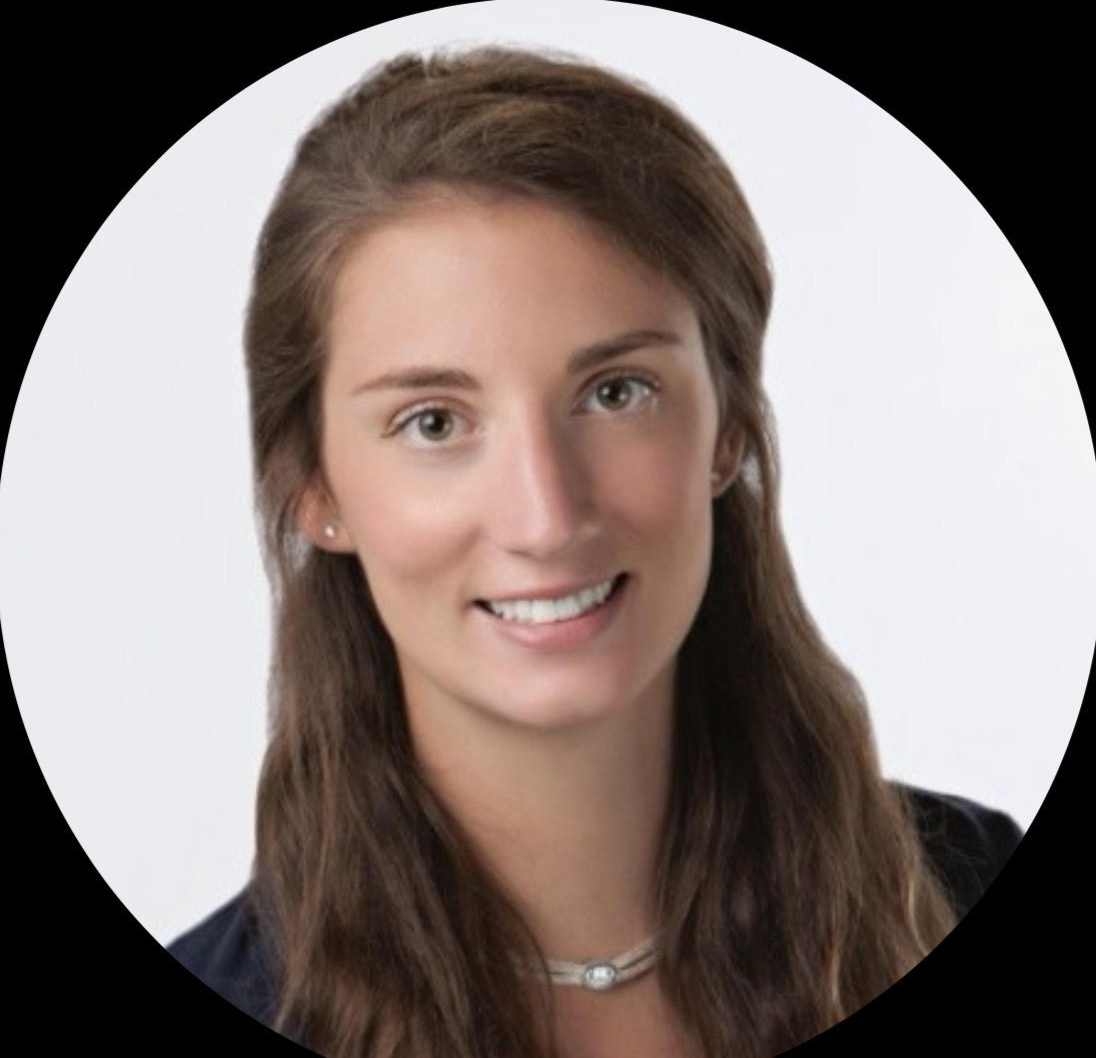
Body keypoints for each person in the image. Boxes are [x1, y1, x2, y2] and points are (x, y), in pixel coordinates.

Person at [166, 44, 1024, 1058]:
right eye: (434, 422)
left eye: (616, 391)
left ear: (728, 427)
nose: (544, 513)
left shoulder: (959, 887)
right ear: (314, 487)